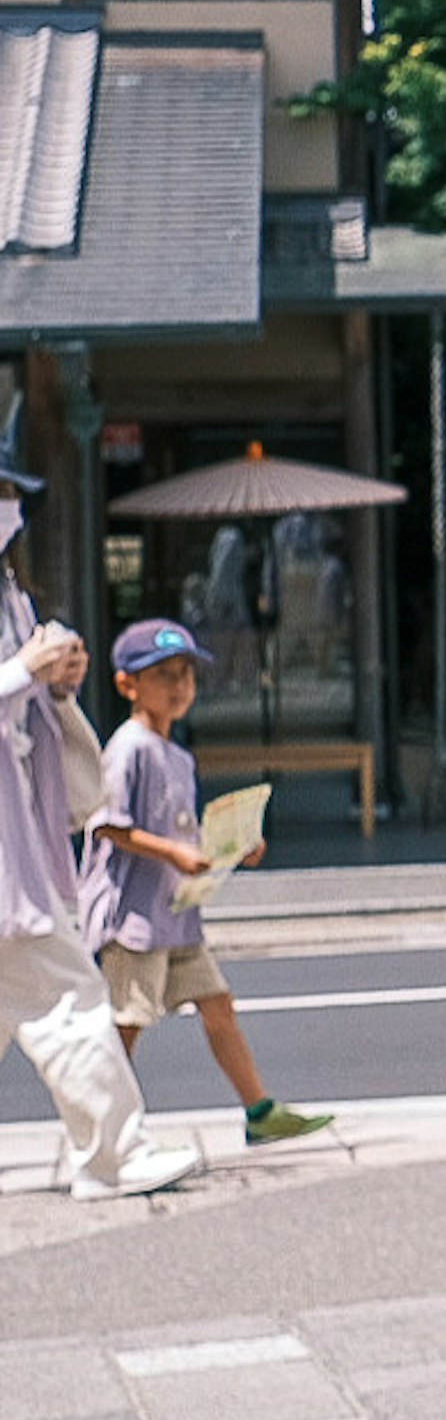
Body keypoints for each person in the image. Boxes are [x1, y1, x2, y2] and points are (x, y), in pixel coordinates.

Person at [0, 466, 198, 1202]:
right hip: (5, 857)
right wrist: (25, 669)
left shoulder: (10, 593)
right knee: (72, 1000)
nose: (10, 509)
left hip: (17, 836)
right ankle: (114, 1155)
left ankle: (112, 1155)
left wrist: (54, 678)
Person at [81, 620, 329, 1145]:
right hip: (136, 917)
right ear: (128, 685)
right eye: (164, 675)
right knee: (127, 1022)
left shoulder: (178, 755)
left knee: (217, 1003)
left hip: (176, 911)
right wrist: (173, 850)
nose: (178, 687)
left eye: (186, 675)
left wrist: (233, 848)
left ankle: (259, 1110)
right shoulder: (129, 748)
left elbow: (185, 831)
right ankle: (108, 1131)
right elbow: (106, 823)